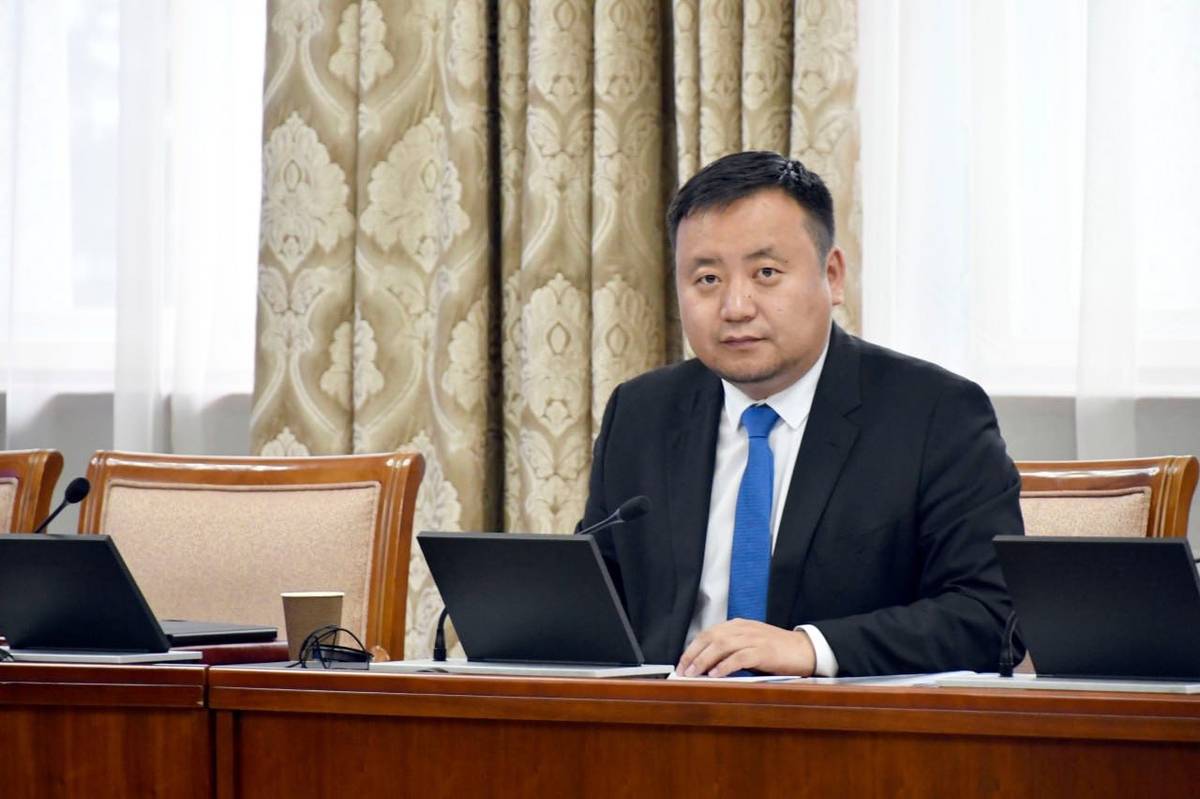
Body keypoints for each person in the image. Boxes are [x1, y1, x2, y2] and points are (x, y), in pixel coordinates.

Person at [578, 150, 1024, 677]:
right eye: (707, 280)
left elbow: (990, 616)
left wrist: (813, 649)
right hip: (665, 715)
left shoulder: (935, 414)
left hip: (840, 720)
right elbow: (596, 598)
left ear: (831, 276)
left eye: (766, 273)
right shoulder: (642, 413)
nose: (736, 307)